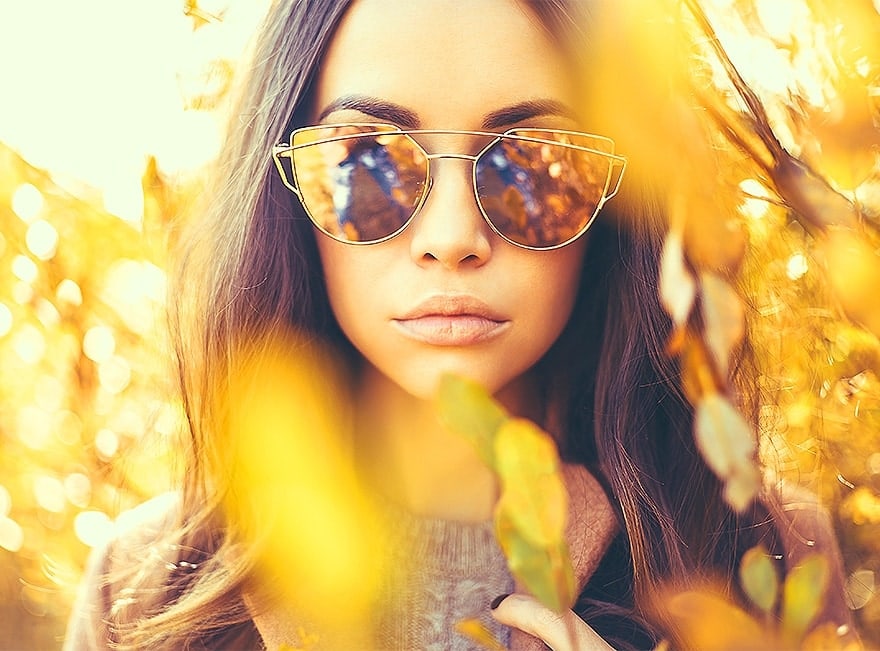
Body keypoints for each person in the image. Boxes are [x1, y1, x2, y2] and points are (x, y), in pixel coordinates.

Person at [63, 1, 857, 649]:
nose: (451, 235)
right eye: (367, 160)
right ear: (286, 196)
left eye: (531, 163)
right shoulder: (145, 586)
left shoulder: (767, 552)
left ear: (620, 202)